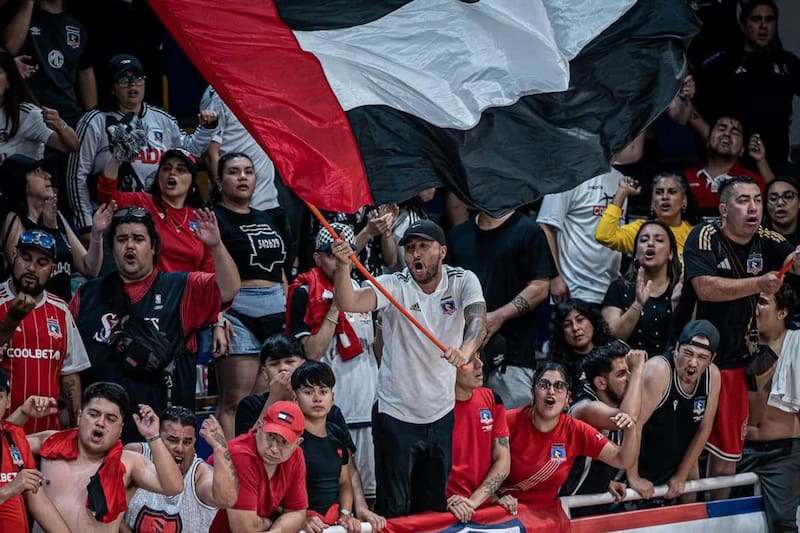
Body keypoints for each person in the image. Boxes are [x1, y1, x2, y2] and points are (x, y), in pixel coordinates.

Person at [332, 218, 486, 517]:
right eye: (410, 248)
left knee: (433, 507)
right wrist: (342, 267)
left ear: (442, 251)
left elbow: (478, 318)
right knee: (395, 509)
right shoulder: (393, 285)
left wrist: (466, 351)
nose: (415, 253)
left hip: (441, 413)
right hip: (395, 415)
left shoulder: (462, 280)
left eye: (423, 247)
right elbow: (349, 301)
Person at [71, 207, 240, 442]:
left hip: (162, 439)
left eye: (138, 239)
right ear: (113, 248)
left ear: (152, 248)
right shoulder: (86, 295)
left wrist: (216, 246)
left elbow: (229, 289)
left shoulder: (181, 287)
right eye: (122, 239)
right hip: (100, 437)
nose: (130, 246)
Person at [681, 175, 800, 499]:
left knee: (726, 455)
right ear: (723, 209)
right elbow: (705, 287)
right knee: (685, 449)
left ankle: (716, 520)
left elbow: (796, 261)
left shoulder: (766, 238)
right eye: (743, 200)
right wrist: (757, 284)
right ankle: (690, 517)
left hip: (736, 360)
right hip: (691, 359)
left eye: (757, 200)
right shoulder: (703, 235)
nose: (754, 208)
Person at [66, 53, 217, 241]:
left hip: (156, 220)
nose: (132, 85)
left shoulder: (163, 119)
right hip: (109, 220)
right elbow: (76, 176)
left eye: (137, 78)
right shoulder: (94, 121)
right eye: (123, 79)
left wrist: (207, 127)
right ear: (112, 88)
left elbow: (190, 151)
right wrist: (86, 226)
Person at [286, 223, 378, 497]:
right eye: (331, 254)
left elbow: (375, 350)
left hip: (369, 407)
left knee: (371, 497)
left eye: (346, 254)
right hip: (329, 415)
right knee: (335, 495)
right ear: (317, 257)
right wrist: (338, 304)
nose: (340, 262)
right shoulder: (304, 291)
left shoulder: (365, 291)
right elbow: (311, 352)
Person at [16, 382, 184, 532]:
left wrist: (153, 436)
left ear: (120, 428)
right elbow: (5, 447)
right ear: (80, 416)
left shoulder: (130, 462)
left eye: (111, 419)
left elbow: (174, 487)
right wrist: (23, 413)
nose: (100, 423)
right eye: (94, 414)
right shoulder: (50, 442)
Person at [209, 152, 287, 437]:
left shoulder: (267, 217)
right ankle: (230, 472)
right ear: (218, 180)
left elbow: (281, 268)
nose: (242, 177)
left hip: (275, 308)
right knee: (234, 402)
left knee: (268, 399)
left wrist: (285, 299)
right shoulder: (213, 218)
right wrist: (216, 315)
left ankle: (258, 465)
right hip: (237, 310)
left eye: (248, 171)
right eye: (233, 172)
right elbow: (204, 270)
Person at [448, 210, 556, 408]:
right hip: (464, 357)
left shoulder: (528, 230)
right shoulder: (458, 234)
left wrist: (498, 316)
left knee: (510, 433)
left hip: (512, 358)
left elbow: (541, 287)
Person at [501, 363, 638, 505]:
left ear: (568, 399)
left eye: (559, 386)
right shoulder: (507, 421)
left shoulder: (576, 431)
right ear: (533, 392)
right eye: (544, 384)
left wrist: (631, 429)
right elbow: (479, 466)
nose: (551, 391)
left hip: (546, 512)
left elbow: (622, 460)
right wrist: (494, 497)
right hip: (503, 509)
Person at [0, 229, 90, 432]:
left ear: (53, 268)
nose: (31, 268)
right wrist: (10, 320)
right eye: (26, 258)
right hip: (3, 435)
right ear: (14, 255)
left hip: (46, 434)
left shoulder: (60, 310)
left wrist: (74, 426)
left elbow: (70, 374)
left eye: (42, 263)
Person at [693, 0, 800, 169]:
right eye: (756, 19)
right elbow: (690, 103)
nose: (763, 25)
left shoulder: (787, 62)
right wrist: (708, 133)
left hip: (775, 161)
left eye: (769, 19)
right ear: (743, 26)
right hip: (730, 161)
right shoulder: (722, 64)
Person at [626, 320, 721, 502]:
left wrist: (682, 475)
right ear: (677, 348)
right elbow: (633, 425)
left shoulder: (713, 376)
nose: (692, 362)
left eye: (701, 357)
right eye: (688, 353)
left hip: (677, 460)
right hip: (644, 461)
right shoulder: (658, 371)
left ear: (711, 359)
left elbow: (704, 428)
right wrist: (633, 476)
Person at [0, 153, 113, 300]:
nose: (47, 176)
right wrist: (50, 230)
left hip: (61, 308)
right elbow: (25, 278)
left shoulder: (56, 215)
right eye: (38, 173)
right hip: (31, 310)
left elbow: (89, 268)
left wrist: (96, 233)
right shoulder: (14, 219)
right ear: (21, 182)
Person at [737, 284, 800, 532]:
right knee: (723, 516)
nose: (755, 308)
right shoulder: (739, 346)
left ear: (782, 312)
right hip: (740, 451)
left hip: (783, 452)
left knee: (781, 522)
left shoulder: (796, 344)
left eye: (762, 302)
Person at [97, 148, 213, 273]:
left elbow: (209, 267)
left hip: (190, 289)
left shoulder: (198, 217)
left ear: (192, 181)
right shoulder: (142, 202)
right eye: (166, 168)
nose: (172, 173)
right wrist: (117, 158)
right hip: (149, 289)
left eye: (181, 169)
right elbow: (106, 196)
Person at [123, 408, 238, 533]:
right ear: (157, 437)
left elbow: (227, 500)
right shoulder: (137, 456)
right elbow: (110, 509)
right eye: (172, 440)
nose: (180, 448)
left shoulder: (200, 474)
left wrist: (220, 447)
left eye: (187, 442)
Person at [561, 341, 645, 501]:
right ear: (600, 383)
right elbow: (627, 418)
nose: (629, 378)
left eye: (630, 372)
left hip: (584, 499)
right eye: (621, 374)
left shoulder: (615, 401)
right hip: (563, 504)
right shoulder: (586, 408)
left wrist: (604, 482)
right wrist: (637, 370)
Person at [209, 400, 308, 533]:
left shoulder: (296, 456)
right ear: (260, 426)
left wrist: (275, 531)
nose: (274, 449)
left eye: (284, 442)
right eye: (271, 436)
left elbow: (298, 513)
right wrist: (271, 520)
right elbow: (244, 529)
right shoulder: (240, 455)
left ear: (298, 443)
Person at [291, 361, 362, 533]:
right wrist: (298, 519)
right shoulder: (288, 438)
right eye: (308, 392)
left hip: (336, 523)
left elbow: (345, 482)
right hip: (301, 525)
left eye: (323, 391)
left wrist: (346, 513)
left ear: (332, 398)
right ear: (294, 398)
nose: (317, 398)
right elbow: (276, 491)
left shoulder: (336, 433)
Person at [3, 0, 97, 127]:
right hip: (30, 112)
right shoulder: (21, 15)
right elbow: (10, 48)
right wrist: (28, 3)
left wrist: (94, 118)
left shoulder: (77, 24)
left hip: (69, 114)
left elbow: (86, 71)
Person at [537, 168, 624, 305]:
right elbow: (545, 226)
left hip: (609, 291)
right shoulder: (569, 174)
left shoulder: (620, 178)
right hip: (571, 290)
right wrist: (555, 277)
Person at [0, 370, 70, 532]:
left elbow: (39, 502)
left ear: (8, 401)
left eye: (0, 396)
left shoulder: (13, 435)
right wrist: (8, 490)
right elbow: (12, 489)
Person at [446, 353, 512, 522]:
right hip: (445, 510)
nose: (480, 364)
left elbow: (503, 462)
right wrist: (443, 501)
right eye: (469, 359)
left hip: (478, 507)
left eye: (479, 356)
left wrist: (475, 501)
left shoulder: (492, 399)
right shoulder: (434, 407)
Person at [602, 221, 682, 354]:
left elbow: (692, 338)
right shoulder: (619, 288)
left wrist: (678, 307)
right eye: (644, 240)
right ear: (636, 254)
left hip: (671, 365)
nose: (650, 243)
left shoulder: (681, 288)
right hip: (628, 365)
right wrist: (637, 304)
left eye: (659, 240)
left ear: (671, 254)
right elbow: (612, 338)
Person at [683, 116, 772, 217]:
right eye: (721, 128)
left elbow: (776, 199)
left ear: (742, 150)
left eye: (735, 132)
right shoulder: (684, 178)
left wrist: (761, 160)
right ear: (707, 141)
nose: (727, 134)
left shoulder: (753, 182)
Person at [0, 48, 78, 161]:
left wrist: (60, 126)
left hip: (21, 178)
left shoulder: (27, 114)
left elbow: (71, 146)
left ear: (9, 82)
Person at [595, 172, 694, 259]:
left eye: (672, 192)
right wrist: (622, 192)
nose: (665, 197)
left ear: (684, 200)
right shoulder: (641, 231)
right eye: (659, 192)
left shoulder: (694, 235)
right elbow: (604, 236)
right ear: (652, 202)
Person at [235, 334, 307, 436]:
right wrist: (274, 398)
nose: (283, 368)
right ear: (264, 372)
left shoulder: (316, 401)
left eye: (289, 362)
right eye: (274, 364)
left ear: (303, 365)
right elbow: (245, 446)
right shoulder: (250, 405)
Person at [548, 298, 615, 396]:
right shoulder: (558, 370)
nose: (575, 328)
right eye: (567, 325)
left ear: (592, 321)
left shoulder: (613, 352)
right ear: (561, 332)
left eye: (580, 320)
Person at [764, 176, 800, 245]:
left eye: (788, 196)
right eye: (773, 198)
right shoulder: (757, 241)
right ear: (766, 205)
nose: (780, 203)